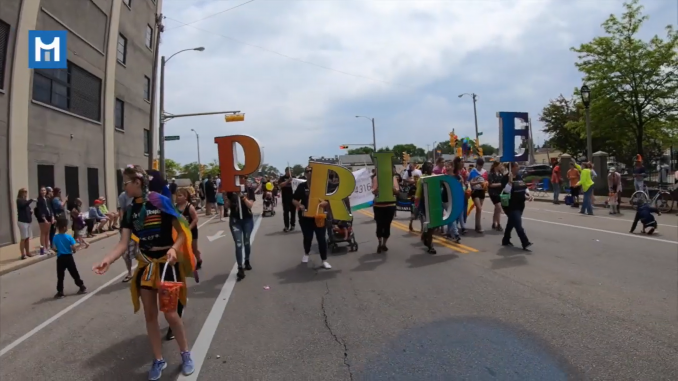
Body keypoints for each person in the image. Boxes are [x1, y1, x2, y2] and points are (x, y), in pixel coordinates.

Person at [92, 165, 195, 379]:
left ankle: (185, 354)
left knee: (170, 313)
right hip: (146, 264)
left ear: (137, 182)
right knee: (150, 315)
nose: (124, 188)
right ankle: (158, 359)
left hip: (166, 263)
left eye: (126, 183)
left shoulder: (161, 202)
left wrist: (175, 249)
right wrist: (107, 259)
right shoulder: (130, 211)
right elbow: (123, 243)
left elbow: (182, 232)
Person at [293, 166, 331, 268]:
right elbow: (294, 199)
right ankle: (306, 253)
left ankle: (324, 260)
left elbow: (328, 199)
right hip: (305, 217)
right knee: (308, 237)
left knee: (321, 239)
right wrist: (299, 205)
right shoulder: (302, 186)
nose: (309, 173)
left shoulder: (321, 186)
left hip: (319, 216)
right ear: (305, 174)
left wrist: (325, 202)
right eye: (307, 172)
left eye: (311, 171)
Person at [226, 176, 256, 280]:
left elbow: (250, 205)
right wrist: (226, 197)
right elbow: (227, 205)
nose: (242, 180)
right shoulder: (231, 191)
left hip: (247, 219)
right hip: (235, 221)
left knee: (246, 241)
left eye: (243, 178)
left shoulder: (249, 189)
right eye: (239, 178)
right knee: (238, 243)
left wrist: (242, 197)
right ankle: (240, 267)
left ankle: (247, 260)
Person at [501, 162, 533, 250]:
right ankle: (525, 242)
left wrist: (528, 194)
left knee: (511, 222)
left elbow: (524, 187)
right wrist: (510, 181)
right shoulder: (505, 178)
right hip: (511, 206)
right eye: (517, 166)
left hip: (520, 204)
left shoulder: (519, 176)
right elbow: (506, 191)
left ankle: (505, 240)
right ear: (513, 167)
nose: (518, 167)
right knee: (518, 225)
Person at [53, 217, 87, 299]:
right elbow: (73, 247)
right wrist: (74, 250)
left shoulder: (55, 237)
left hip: (60, 258)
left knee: (60, 275)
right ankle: (81, 286)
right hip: (69, 257)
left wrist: (58, 250)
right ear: (64, 227)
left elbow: (54, 248)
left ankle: (60, 291)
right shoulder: (69, 237)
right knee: (74, 272)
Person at [371, 166, 399, 253]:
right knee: (379, 225)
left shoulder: (392, 178)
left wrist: (392, 188)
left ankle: (384, 244)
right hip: (379, 206)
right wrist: (380, 187)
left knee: (387, 225)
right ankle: (380, 242)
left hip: (390, 205)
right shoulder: (376, 178)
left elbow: (397, 191)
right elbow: (373, 191)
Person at [415, 162, 436, 254]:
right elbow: (418, 194)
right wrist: (417, 205)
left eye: (431, 166)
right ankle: (430, 246)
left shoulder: (434, 177)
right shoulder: (422, 179)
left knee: (433, 225)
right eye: (429, 167)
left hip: (434, 203)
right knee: (429, 225)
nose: (431, 168)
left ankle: (425, 236)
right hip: (424, 204)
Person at [118, 190, 136, 283]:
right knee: (125, 253)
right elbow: (121, 209)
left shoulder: (145, 194)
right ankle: (129, 273)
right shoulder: (123, 195)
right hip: (129, 227)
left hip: (142, 227)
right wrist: (122, 224)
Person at [468, 158, 487, 233]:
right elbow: (470, 182)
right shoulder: (473, 171)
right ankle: (479, 226)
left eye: (481, 165)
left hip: (482, 191)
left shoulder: (485, 172)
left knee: (479, 210)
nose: (480, 167)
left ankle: (477, 225)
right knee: (479, 208)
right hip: (475, 191)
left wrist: (485, 184)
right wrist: (478, 183)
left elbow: (486, 181)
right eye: (479, 165)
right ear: (477, 164)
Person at [17, 188, 35, 259]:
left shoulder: (25, 201)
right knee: (23, 238)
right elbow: (23, 205)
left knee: (27, 238)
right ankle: (23, 254)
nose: (25, 193)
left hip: (27, 221)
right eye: (23, 192)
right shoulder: (19, 200)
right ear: (20, 193)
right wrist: (31, 200)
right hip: (22, 222)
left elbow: (26, 209)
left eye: (26, 192)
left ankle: (28, 252)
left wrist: (30, 212)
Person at [35, 187, 53, 255]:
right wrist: (44, 219)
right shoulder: (39, 200)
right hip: (42, 219)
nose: (43, 192)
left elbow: (50, 208)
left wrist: (52, 216)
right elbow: (40, 210)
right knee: (43, 232)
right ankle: (43, 248)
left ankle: (47, 247)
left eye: (44, 190)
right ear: (40, 192)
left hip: (49, 217)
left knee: (47, 232)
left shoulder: (47, 199)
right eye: (42, 190)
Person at [487, 162, 504, 231]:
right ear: (496, 166)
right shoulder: (491, 174)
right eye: (500, 165)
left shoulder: (500, 174)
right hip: (493, 193)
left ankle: (494, 223)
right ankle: (498, 224)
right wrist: (500, 184)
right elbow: (490, 185)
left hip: (499, 193)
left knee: (496, 209)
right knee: (499, 207)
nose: (501, 167)